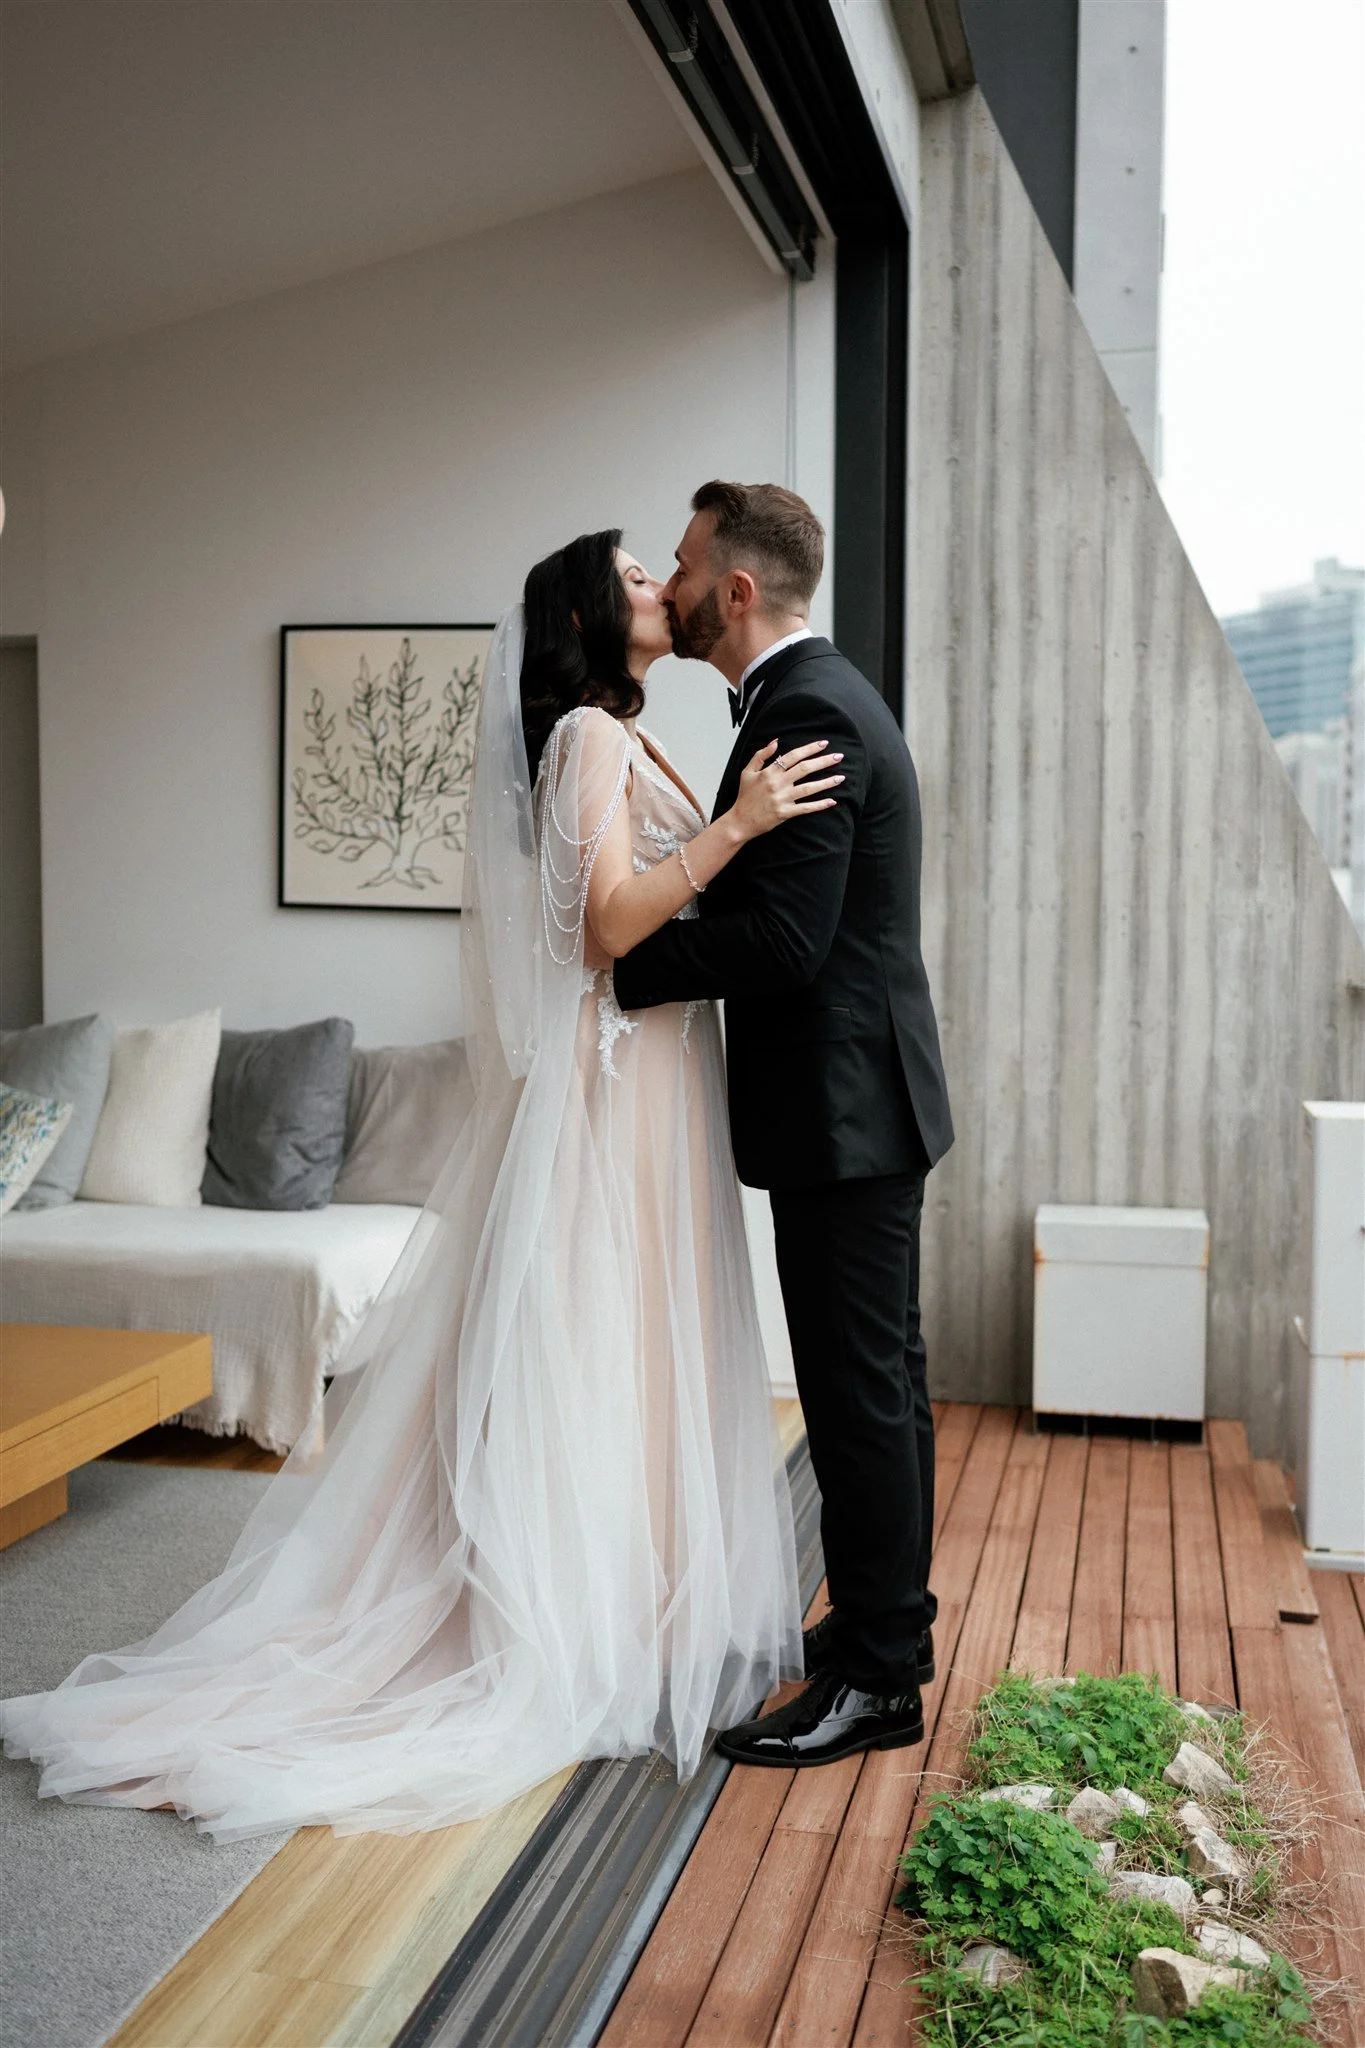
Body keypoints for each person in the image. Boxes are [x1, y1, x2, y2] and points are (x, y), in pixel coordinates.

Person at [0, 530, 840, 1841]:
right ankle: (565, 1624)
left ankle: (626, 1608)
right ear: (585, 615)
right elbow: (606, 926)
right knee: (596, 1357)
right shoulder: (588, 742)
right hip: (616, 1100)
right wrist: (739, 826)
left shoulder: (623, 734)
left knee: (624, 1361)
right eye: (632, 576)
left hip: (650, 1091)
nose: (657, 588)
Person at [613, 481, 954, 1769]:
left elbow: (785, 939)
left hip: (845, 1111)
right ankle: (882, 1632)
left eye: (688, 562)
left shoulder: (810, 708)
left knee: (859, 1396)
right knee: (882, 1390)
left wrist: (621, 965)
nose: (678, 583)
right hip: (857, 1104)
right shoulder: (804, 698)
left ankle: (879, 1679)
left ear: (735, 590)